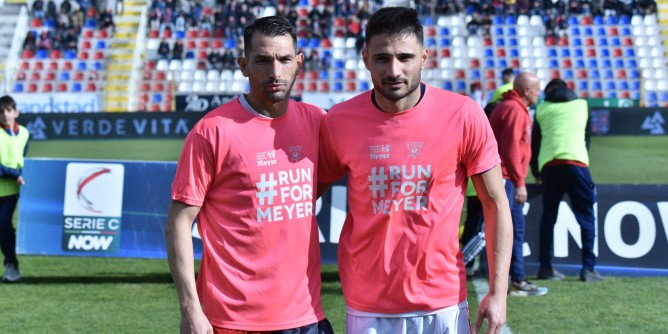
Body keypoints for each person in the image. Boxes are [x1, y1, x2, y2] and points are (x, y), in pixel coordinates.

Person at [318, 7, 513, 333]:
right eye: (382, 58)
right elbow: (298, 200)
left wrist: (498, 292)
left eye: (405, 57)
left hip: (443, 302)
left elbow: (495, 204)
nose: (394, 70)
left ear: (424, 57)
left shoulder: (463, 114)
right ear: (366, 58)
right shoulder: (339, 121)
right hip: (368, 306)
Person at [165, 16, 333, 334]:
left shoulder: (316, 121)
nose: (275, 72)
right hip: (233, 321)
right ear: (244, 65)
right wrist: (190, 309)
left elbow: (318, 182)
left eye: (284, 59)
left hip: (308, 316)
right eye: (263, 61)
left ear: (299, 62)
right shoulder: (211, 131)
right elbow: (179, 221)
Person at [531, 78, 603, 282]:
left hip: (549, 165)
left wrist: (536, 171)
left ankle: (545, 267)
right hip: (577, 163)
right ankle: (588, 269)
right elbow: (587, 138)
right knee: (586, 217)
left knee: (549, 218)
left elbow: (535, 142)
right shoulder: (582, 105)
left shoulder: (542, 108)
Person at [489, 72, 548, 297]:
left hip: (504, 178)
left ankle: (514, 277)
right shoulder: (514, 109)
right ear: (526, 91)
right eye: (537, 90)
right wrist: (520, 181)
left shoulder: (510, 107)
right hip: (507, 180)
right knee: (511, 230)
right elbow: (511, 149)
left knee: (505, 231)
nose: (539, 94)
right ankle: (516, 278)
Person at [0, 96, 30, 283]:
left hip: (12, 191)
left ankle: (11, 265)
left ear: (16, 113)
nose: (4, 114)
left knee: (3, 224)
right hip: (8, 183)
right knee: (3, 227)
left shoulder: (25, 133)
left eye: (8, 110)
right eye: (1, 111)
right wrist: (14, 174)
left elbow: (25, 160)